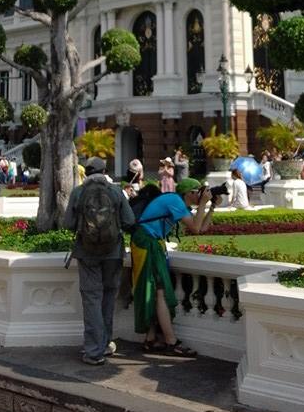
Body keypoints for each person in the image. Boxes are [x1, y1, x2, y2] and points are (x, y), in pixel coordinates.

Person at [63, 156, 135, 366]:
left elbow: (68, 224)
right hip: (113, 252)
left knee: (92, 299)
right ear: (105, 171)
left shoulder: (78, 192)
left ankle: (94, 350)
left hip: (87, 252)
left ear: (87, 172)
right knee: (108, 298)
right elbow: (129, 221)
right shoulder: (115, 191)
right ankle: (104, 344)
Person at [130, 177, 211, 357]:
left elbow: (202, 228)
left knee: (153, 290)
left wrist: (210, 207)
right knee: (158, 291)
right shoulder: (175, 200)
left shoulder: (177, 202)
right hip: (147, 242)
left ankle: (151, 339)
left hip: (150, 242)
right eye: (199, 192)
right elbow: (196, 228)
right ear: (189, 193)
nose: (201, 195)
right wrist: (204, 203)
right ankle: (171, 341)